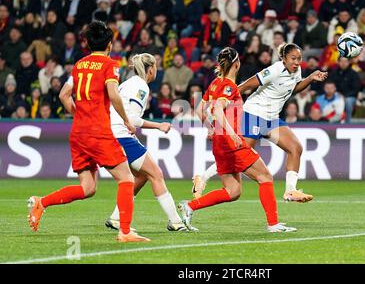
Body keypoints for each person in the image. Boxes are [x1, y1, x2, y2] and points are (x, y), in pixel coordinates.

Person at [27, 21, 149, 242]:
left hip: (78, 133)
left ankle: (41, 202)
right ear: (109, 45)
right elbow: (113, 94)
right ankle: (125, 231)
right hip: (98, 133)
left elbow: (64, 95)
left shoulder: (80, 64)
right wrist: (126, 120)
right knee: (127, 179)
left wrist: (80, 115)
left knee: (88, 187)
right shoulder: (110, 65)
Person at [178, 47, 297, 233]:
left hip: (219, 143)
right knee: (265, 177)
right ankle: (273, 224)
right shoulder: (229, 86)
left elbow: (200, 109)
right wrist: (232, 133)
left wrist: (212, 128)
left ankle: (190, 207)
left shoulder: (215, 83)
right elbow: (217, 108)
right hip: (231, 142)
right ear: (237, 64)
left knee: (233, 191)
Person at [193, 43, 327, 203]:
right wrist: (227, 97)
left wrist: (310, 79)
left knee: (295, 148)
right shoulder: (274, 70)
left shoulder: (296, 70)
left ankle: (290, 191)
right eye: (293, 58)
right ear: (283, 58)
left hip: (272, 118)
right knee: (239, 156)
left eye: (299, 58)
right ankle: (203, 177)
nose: (297, 62)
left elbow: (293, 88)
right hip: (253, 114)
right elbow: (249, 84)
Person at [104, 53, 189, 232]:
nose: (156, 70)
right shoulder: (141, 86)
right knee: (156, 174)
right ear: (150, 69)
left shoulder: (128, 83)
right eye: (155, 67)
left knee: (141, 176)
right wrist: (158, 126)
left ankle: (116, 217)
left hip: (113, 133)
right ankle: (175, 222)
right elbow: (133, 119)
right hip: (122, 136)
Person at [328, 57, 361, 123]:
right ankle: (329, 121)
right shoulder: (333, 73)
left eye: (345, 61)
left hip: (349, 96)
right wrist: (336, 93)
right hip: (335, 95)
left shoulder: (354, 74)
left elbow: (356, 89)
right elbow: (329, 85)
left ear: (349, 62)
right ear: (338, 62)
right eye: (341, 61)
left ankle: (347, 122)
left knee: (348, 101)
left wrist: (345, 96)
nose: (343, 63)